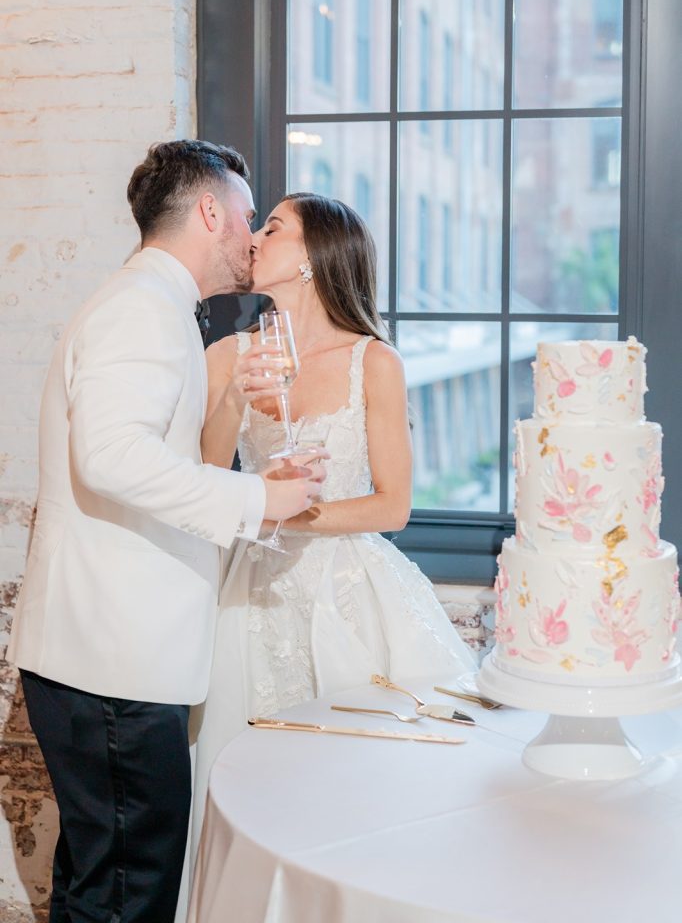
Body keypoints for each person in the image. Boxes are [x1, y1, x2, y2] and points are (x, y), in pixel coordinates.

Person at [7, 143, 326, 923]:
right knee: (128, 898)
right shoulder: (142, 310)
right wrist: (258, 500)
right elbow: (113, 459)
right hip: (112, 665)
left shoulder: (150, 305)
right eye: (247, 216)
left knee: (99, 887)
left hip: (103, 662)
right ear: (210, 212)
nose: (252, 236)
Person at [189, 192, 477, 870]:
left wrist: (294, 508)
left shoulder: (373, 362)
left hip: (350, 595)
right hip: (252, 595)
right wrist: (234, 396)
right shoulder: (230, 355)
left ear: (314, 258)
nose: (254, 237)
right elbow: (202, 476)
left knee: (357, 795)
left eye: (274, 227)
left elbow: (392, 507)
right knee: (251, 790)